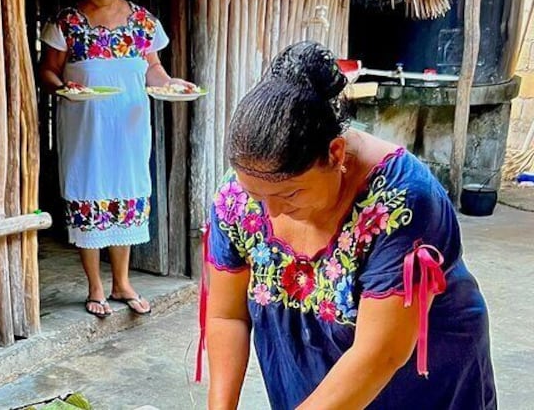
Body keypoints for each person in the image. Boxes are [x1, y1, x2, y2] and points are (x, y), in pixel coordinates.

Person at [201, 41, 496, 409]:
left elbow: (379, 355)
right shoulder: (238, 197)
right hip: (314, 386)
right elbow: (227, 316)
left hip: (421, 386)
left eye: (290, 195)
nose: (269, 213)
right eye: (257, 196)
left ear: (335, 154)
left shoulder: (402, 202)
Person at [38, 0, 192, 318]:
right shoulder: (68, 22)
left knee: (125, 191)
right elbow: (47, 70)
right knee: (89, 192)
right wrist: (63, 86)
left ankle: (122, 283)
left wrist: (171, 84)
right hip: (85, 128)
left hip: (128, 127)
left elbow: (153, 69)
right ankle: (95, 287)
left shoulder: (143, 22)